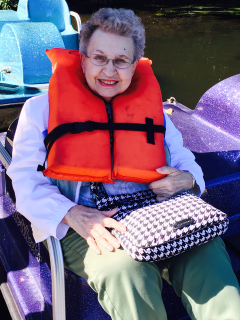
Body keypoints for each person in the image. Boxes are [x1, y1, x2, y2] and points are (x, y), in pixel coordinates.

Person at [7, 8, 240, 320]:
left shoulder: (152, 109)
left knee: (207, 252)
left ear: (134, 65)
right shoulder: (40, 110)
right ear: (83, 58)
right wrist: (71, 213)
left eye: (121, 61)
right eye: (99, 57)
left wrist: (187, 179)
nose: (109, 70)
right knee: (126, 271)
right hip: (87, 222)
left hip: (159, 213)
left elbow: (184, 158)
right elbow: (24, 180)